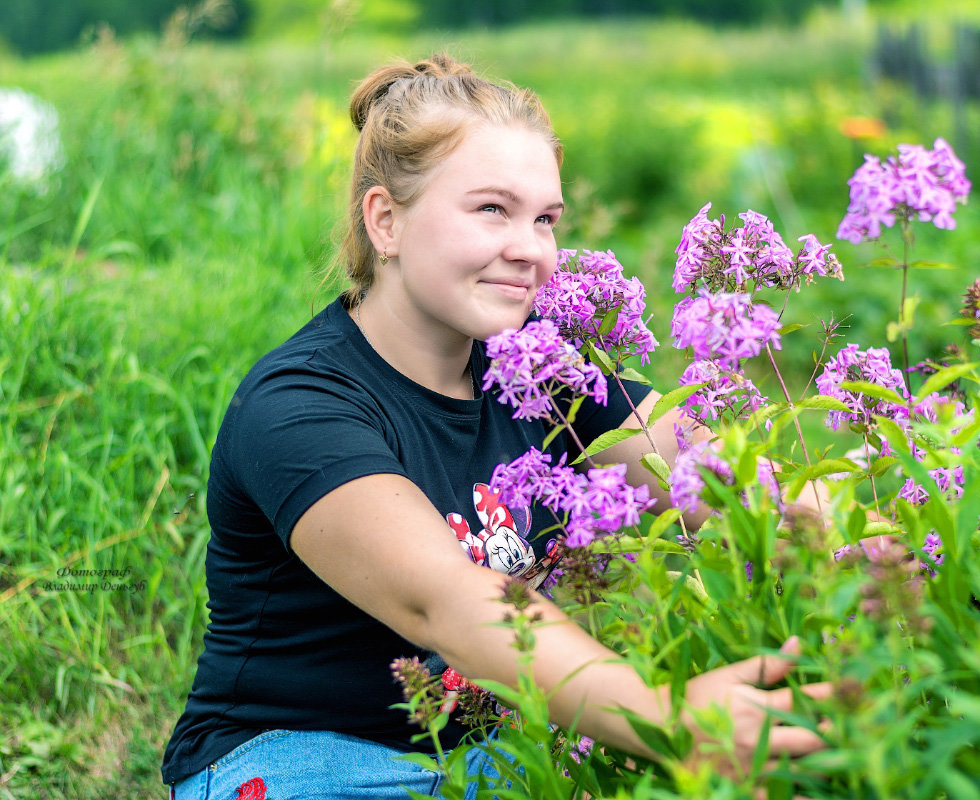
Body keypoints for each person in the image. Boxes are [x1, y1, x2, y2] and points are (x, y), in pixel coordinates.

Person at [161, 53, 830, 800]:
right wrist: (663, 718)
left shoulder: (543, 363)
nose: (532, 249)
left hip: (495, 755)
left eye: (545, 219)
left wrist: (856, 536)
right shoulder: (300, 406)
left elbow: (704, 472)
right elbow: (445, 601)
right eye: (492, 210)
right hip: (305, 761)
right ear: (385, 220)